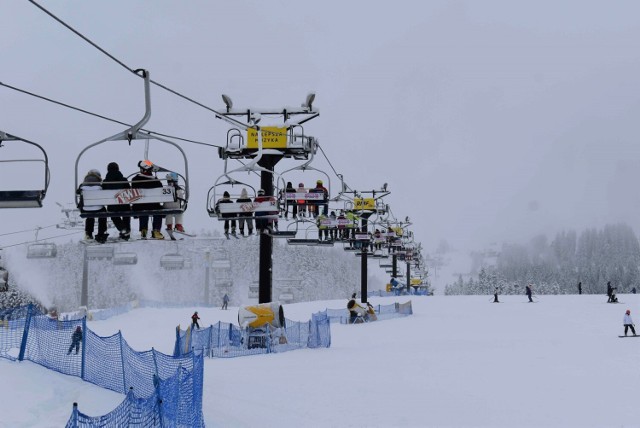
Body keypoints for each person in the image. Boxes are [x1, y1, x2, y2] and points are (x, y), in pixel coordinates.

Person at [131, 160, 165, 239]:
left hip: (139, 206)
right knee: (158, 210)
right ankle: (156, 230)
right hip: (154, 206)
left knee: (143, 207)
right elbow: (161, 190)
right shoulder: (156, 181)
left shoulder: (135, 179)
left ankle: (143, 230)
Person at [102, 162, 131, 241]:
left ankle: (123, 229)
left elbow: (103, 193)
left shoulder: (105, 182)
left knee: (114, 215)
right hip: (124, 205)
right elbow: (129, 191)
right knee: (126, 214)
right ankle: (126, 233)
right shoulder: (124, 180)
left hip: (112, 207)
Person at [78, 169, 109, 243]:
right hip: (98, 208)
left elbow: (78, 192)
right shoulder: (100, 185)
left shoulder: (82, 185)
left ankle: (89, 233)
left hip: (86, 208)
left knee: (90, 215)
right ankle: (101, 233)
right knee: (103, 214)